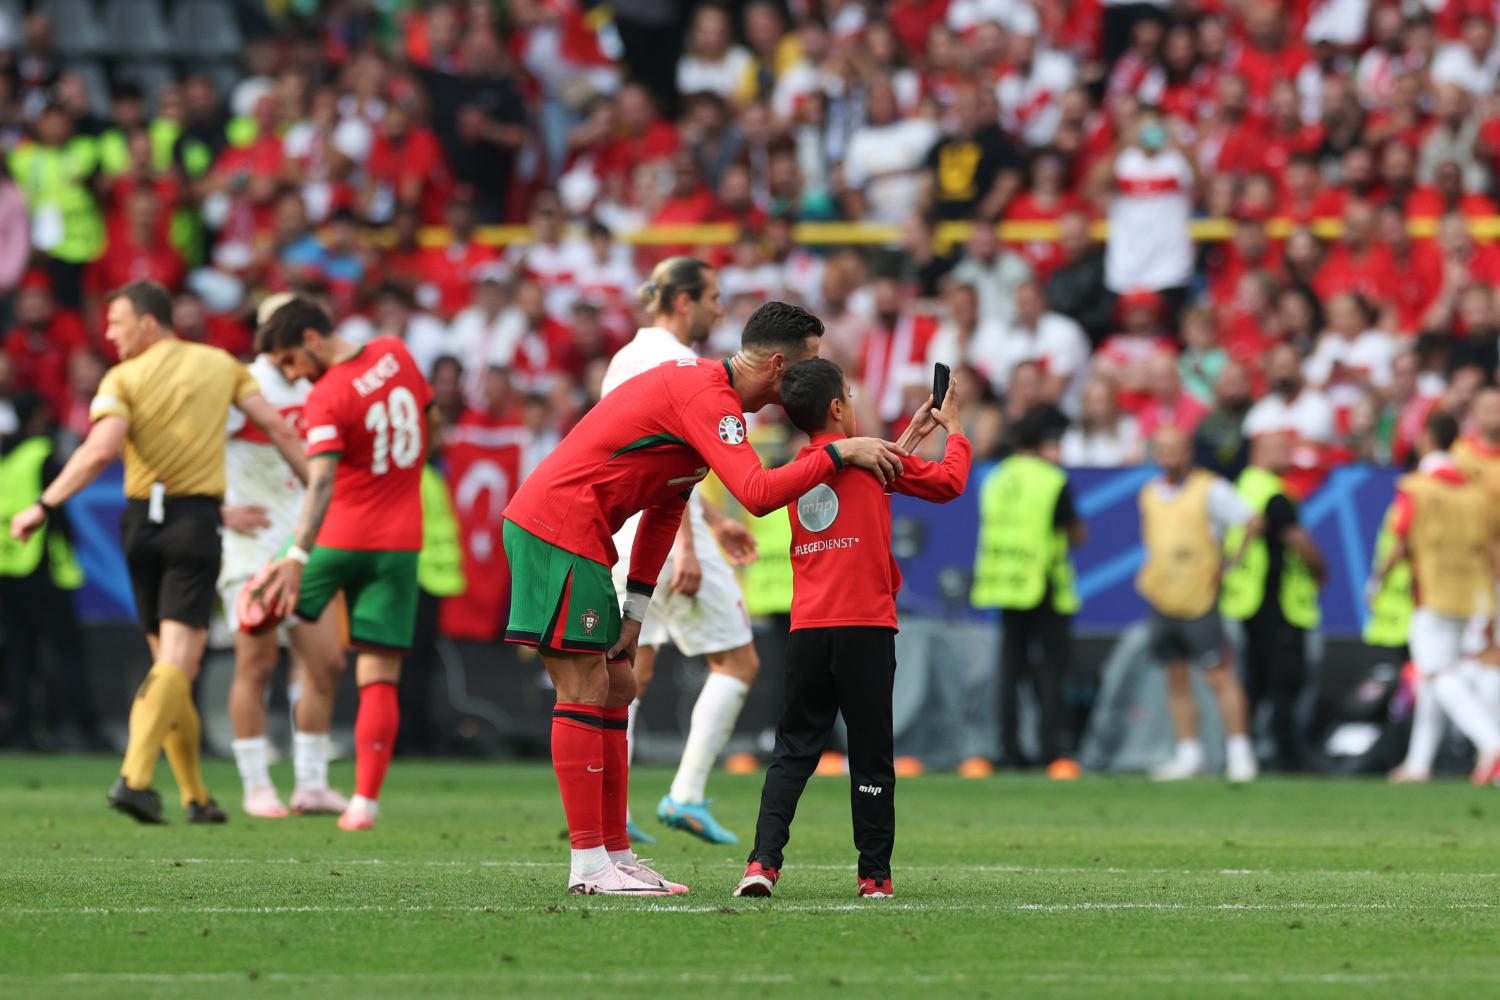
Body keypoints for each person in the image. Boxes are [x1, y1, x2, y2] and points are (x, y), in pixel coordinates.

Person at [501, 299, 905, 896]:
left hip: (583, 534)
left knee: (618, 684)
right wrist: (839, 453)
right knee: (584, 687)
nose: (813, 379)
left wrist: (636, 612)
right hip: (559, 528)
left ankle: (615, 853)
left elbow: (666, 509)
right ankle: (588, 865)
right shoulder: (709, 401)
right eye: (808, 364)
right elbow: (756, 492)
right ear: (776, 366)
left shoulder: (706, 403)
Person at [8, 280, 306, 823]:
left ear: (149, 322)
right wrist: (319, 485)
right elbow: (279, 430)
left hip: (140, 523)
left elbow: (100, 450)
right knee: (177, 663)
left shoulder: (122, 377)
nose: (109, 333)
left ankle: (195, 796)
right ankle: (135, 778)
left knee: (166, 667)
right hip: (193, 523)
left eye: (117, 322)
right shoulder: (221, 366)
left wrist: (43, 506)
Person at [735, 358, 970, 900]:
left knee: (793, 750)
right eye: (850, 392)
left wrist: (913, 432)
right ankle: (874, 877)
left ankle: (761, 864)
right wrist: (954, 429)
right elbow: (950, 482)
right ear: (839, 408)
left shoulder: (800, 468)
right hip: (864, 627)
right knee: (870, 752)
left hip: (808, 630)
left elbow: (860, 485)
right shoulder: (868, 462)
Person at [253, 297, 434, 831]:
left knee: (257, 617)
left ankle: (260, 776)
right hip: (399, 540)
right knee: (378, 674)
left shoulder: (327, 394)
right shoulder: (396, 352)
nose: (292, 375)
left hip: (338, 537)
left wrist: (297, 553)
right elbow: (431, 420)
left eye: (289, 360)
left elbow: (323, 481)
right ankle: (363, 803)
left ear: (311, 338)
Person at [601, 258, 763, 846]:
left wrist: (715, 520)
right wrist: (691, 544)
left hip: (630, 531)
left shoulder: (626, 356)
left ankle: (609, 804)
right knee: (738, 663)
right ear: (682, 301)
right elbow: (670, 464)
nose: (721, 309)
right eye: (714, 298)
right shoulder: (674, 362)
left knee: (631, 667)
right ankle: (686, 794)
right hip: (664, 534)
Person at [220, 294, 350, 819]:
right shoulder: (240, 383)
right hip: (253, 543)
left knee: (327, 663)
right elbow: (179, 448)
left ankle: (311, 784)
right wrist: (217, 511)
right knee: (256, 663)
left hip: (307, 539)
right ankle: (256, 785)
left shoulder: (320, 383)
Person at [1375, 411, 1500, 786]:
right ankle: (1418, 763)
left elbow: (1400, 536)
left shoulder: (1416, 487)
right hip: (1473, 590)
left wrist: (1377, 579)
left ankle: (1492, 744)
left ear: (1426, 438)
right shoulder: (1474, 493)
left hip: (1433, 591)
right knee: (1444, 672)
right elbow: (1490, 544)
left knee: (1435, 671)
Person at [1136, 426, 1260, 783]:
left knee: (1219, 676)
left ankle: (1240, 754)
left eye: (1176, 448)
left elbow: (1251, 521)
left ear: (1188, 451)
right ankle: (1189, 754)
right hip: (1163, 596)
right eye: (1163, 449)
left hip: (1199, 597)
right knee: (1176, 677)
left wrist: (1230, 562)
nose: (1170, 456)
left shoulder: (1211, 488)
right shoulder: (1150, 493)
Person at [969, 408, 1085, 779]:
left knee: (1009, 670)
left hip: (1005, 582)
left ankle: (1009, 748)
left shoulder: (995, 479)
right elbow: (1075, 533)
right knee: (1051, 670)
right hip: (1043, 584)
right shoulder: (1051, 479)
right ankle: (1053, 751)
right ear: (1044, 443)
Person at [1219, 431, 1326, 772]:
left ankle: (1247, 750)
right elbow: (1299, 542)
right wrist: (1321, 570)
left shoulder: (1242, 487)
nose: (1289, 454)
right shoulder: (1274, 495)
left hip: (1246, 599)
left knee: (1256, 679)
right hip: (1276, 599)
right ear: (1259, 452)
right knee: (1285, 679)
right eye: (1280, 448)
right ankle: (1288, 755)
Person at [0, 390, 100, 751]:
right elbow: (56, 510)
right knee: (65, 650)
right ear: (40, 416)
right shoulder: (42, 455)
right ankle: (80, 728)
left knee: (19, 653)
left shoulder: (6, 457)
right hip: (43, 565)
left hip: (8, 566)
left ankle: (21, 728)